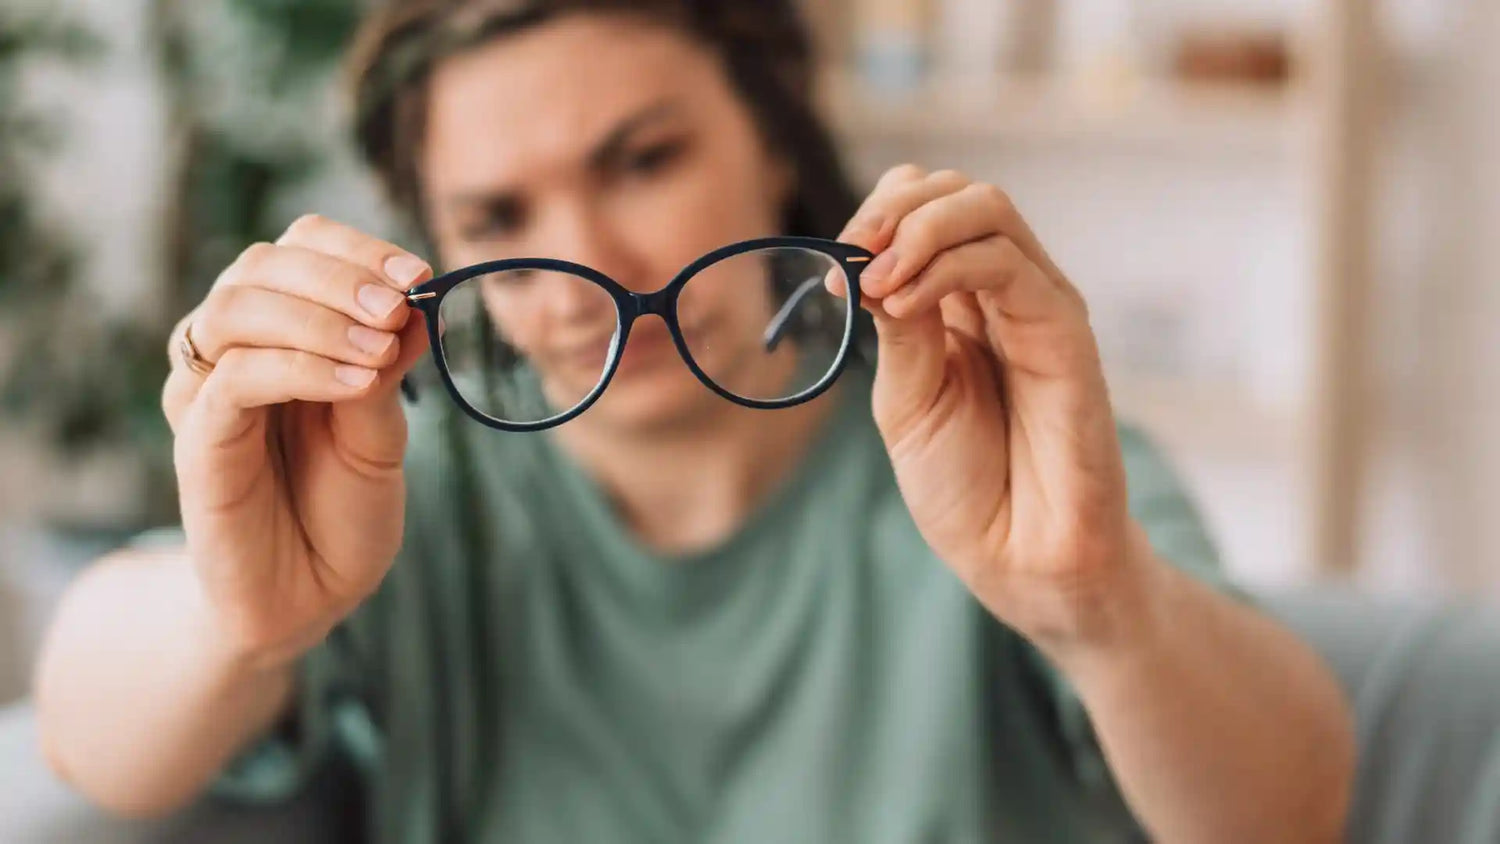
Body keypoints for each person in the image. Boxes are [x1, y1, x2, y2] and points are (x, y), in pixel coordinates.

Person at [33, 1, 1354, 841]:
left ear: (773, 141)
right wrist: (240, 620)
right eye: (497, 217)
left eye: (644, 160)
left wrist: (1099, 605)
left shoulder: (1003, 454)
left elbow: (1295, 807)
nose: (589, 270)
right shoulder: (401, 491)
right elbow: (84, 742)